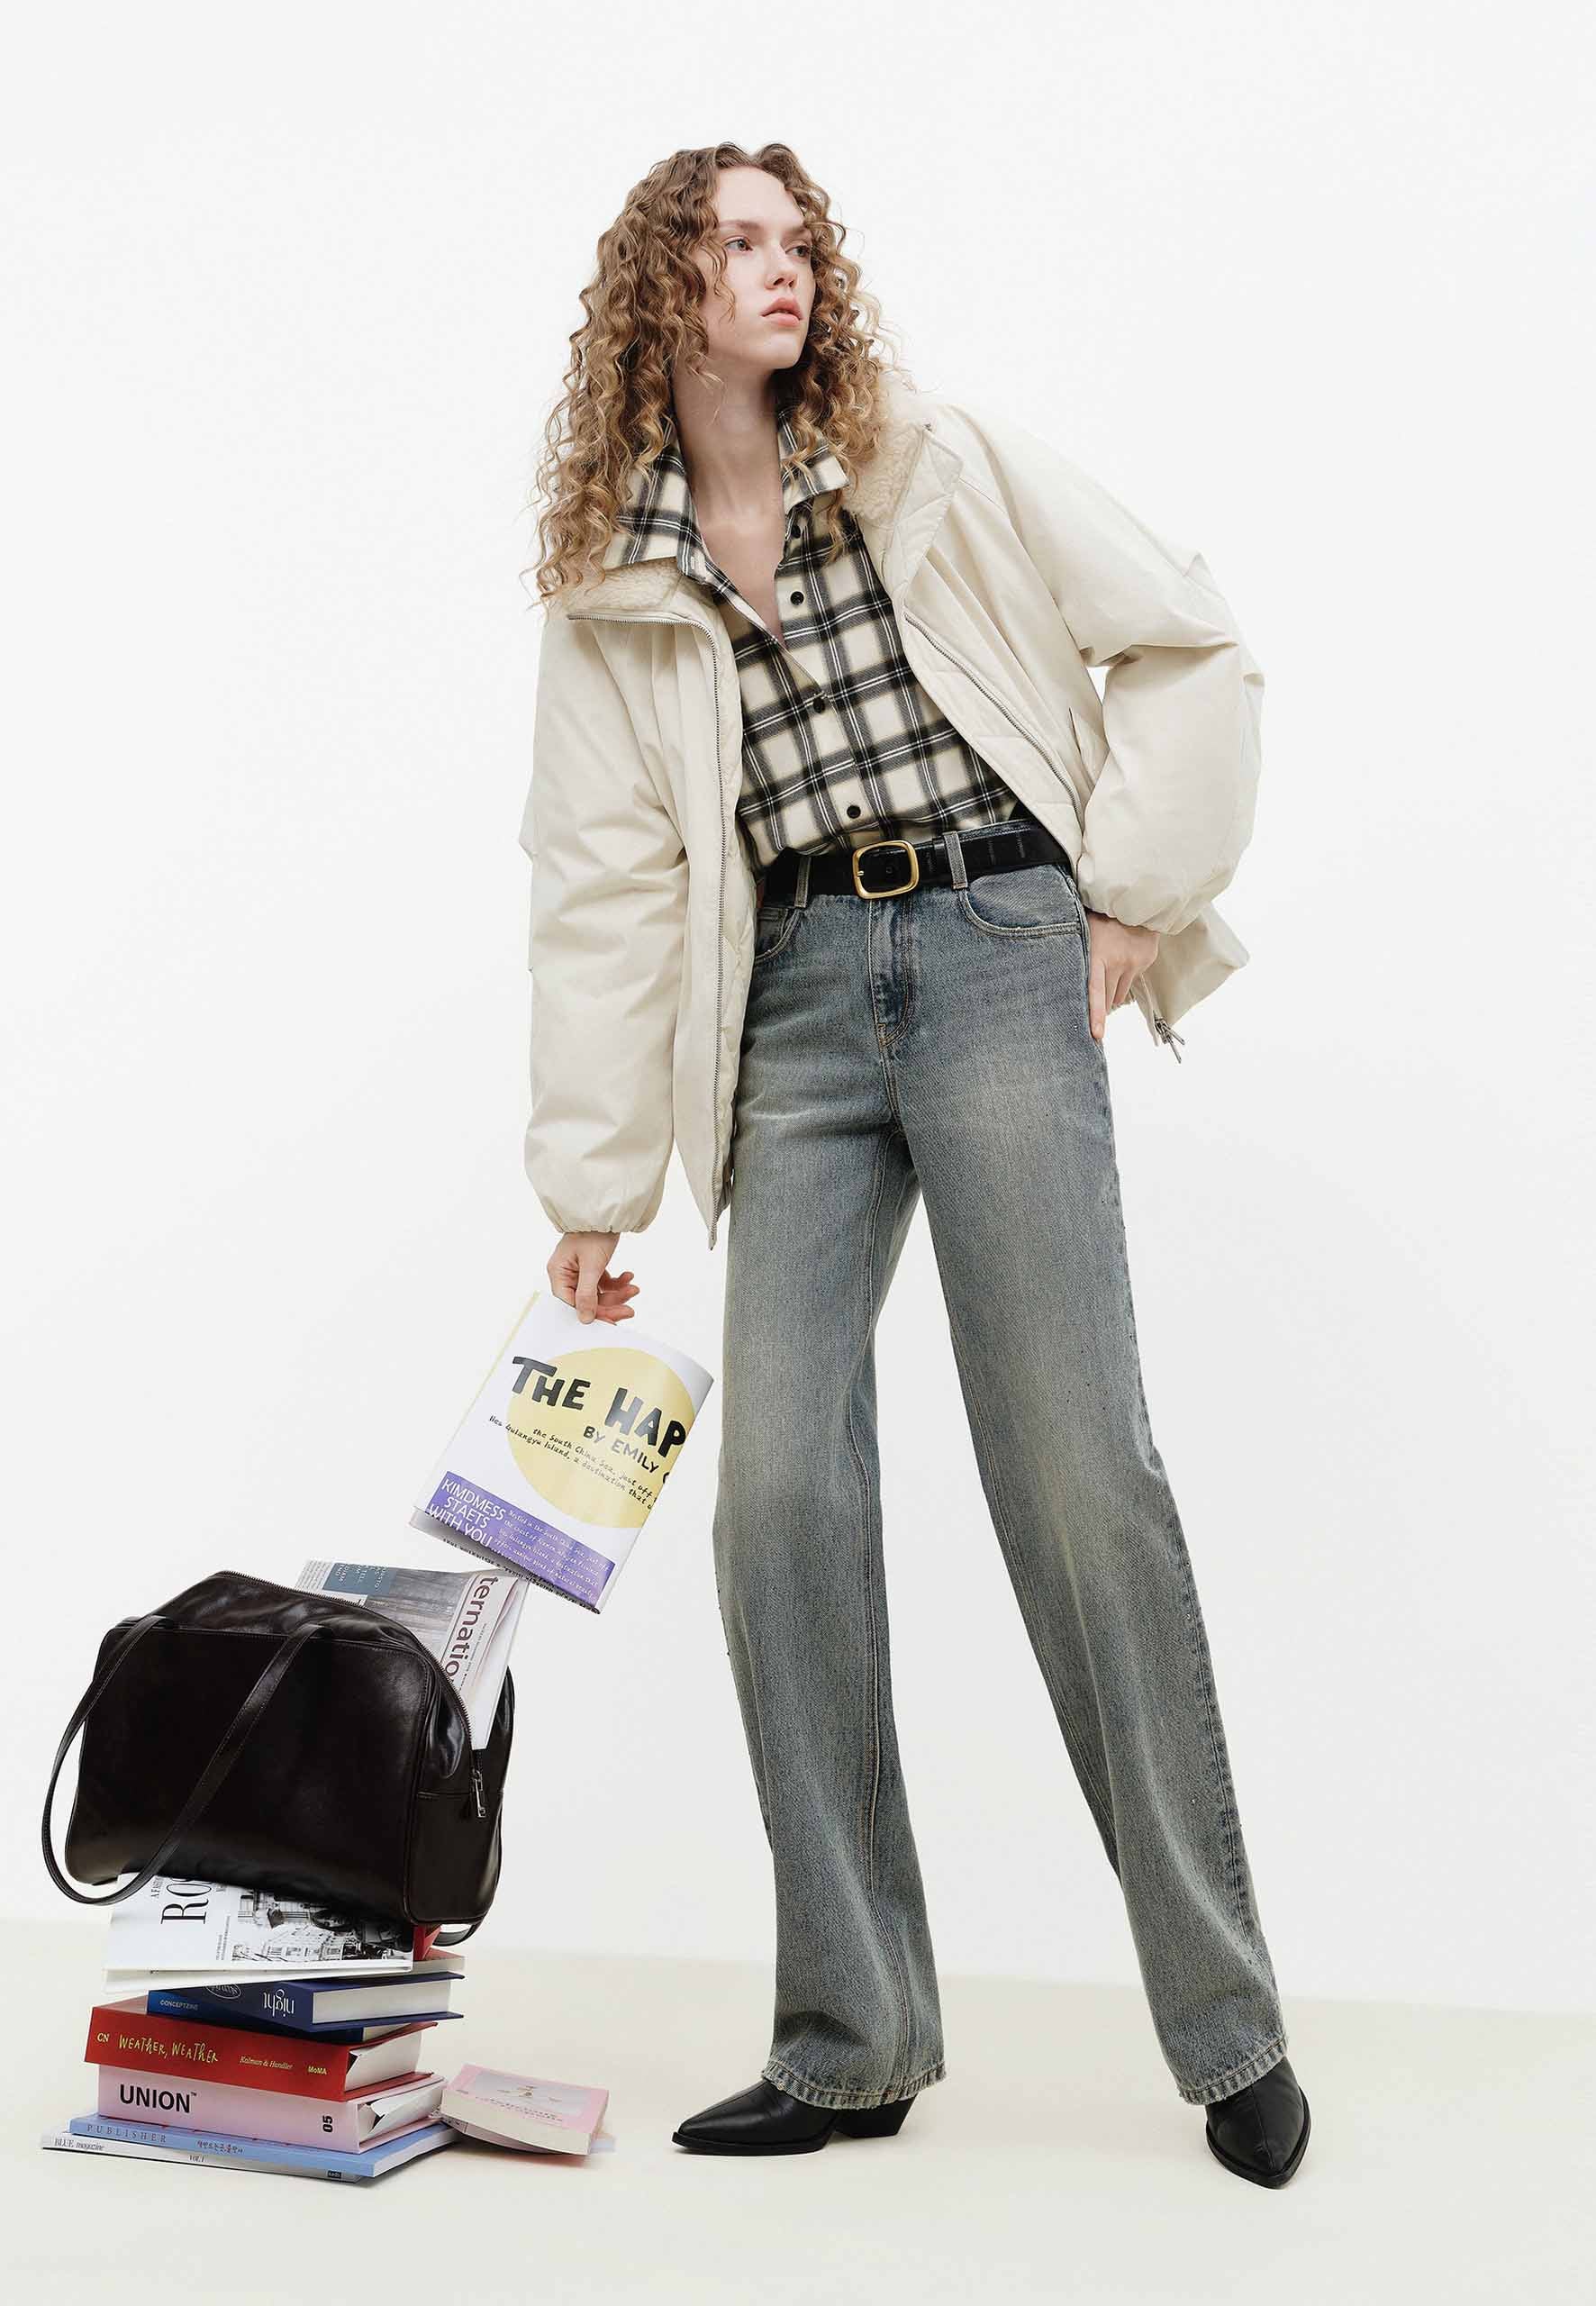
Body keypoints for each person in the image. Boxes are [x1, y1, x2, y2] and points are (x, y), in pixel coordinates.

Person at [521, 141, 1309, 2188]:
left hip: (989, 945)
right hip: (790, 1007)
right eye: (737, 243)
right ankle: (853, 2036)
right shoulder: (618, 580)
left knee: (1078, 1474)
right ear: (664, 291)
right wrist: (594, 1176)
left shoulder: (927, 457)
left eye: (798, 240)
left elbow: (1185, 638)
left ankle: (1228, 2028)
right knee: (777, 1500)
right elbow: (603, 881)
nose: (780, 269)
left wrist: (1126, 895)